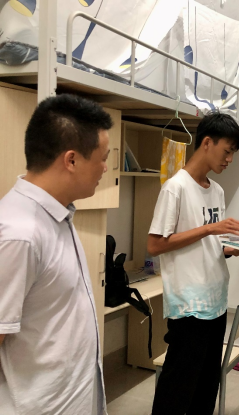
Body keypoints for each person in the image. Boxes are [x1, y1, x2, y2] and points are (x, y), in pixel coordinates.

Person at [0, 95, 114, 415]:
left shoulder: (57, 215)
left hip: (72, 400)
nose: (106, 168)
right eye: (102, 158)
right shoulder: (19, 233)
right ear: (72, 160)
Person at [149, 111, 239, 415]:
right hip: (189, 305)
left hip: (215, 301)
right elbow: (155, 244)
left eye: (233, 153)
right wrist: (209, 229)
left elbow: (211, 246)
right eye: (227, 151)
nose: (229, 160)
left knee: (206, 386)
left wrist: (233, 249)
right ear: (207, 143)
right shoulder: (176, 188)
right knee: (178, 388)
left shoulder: (216, 190)